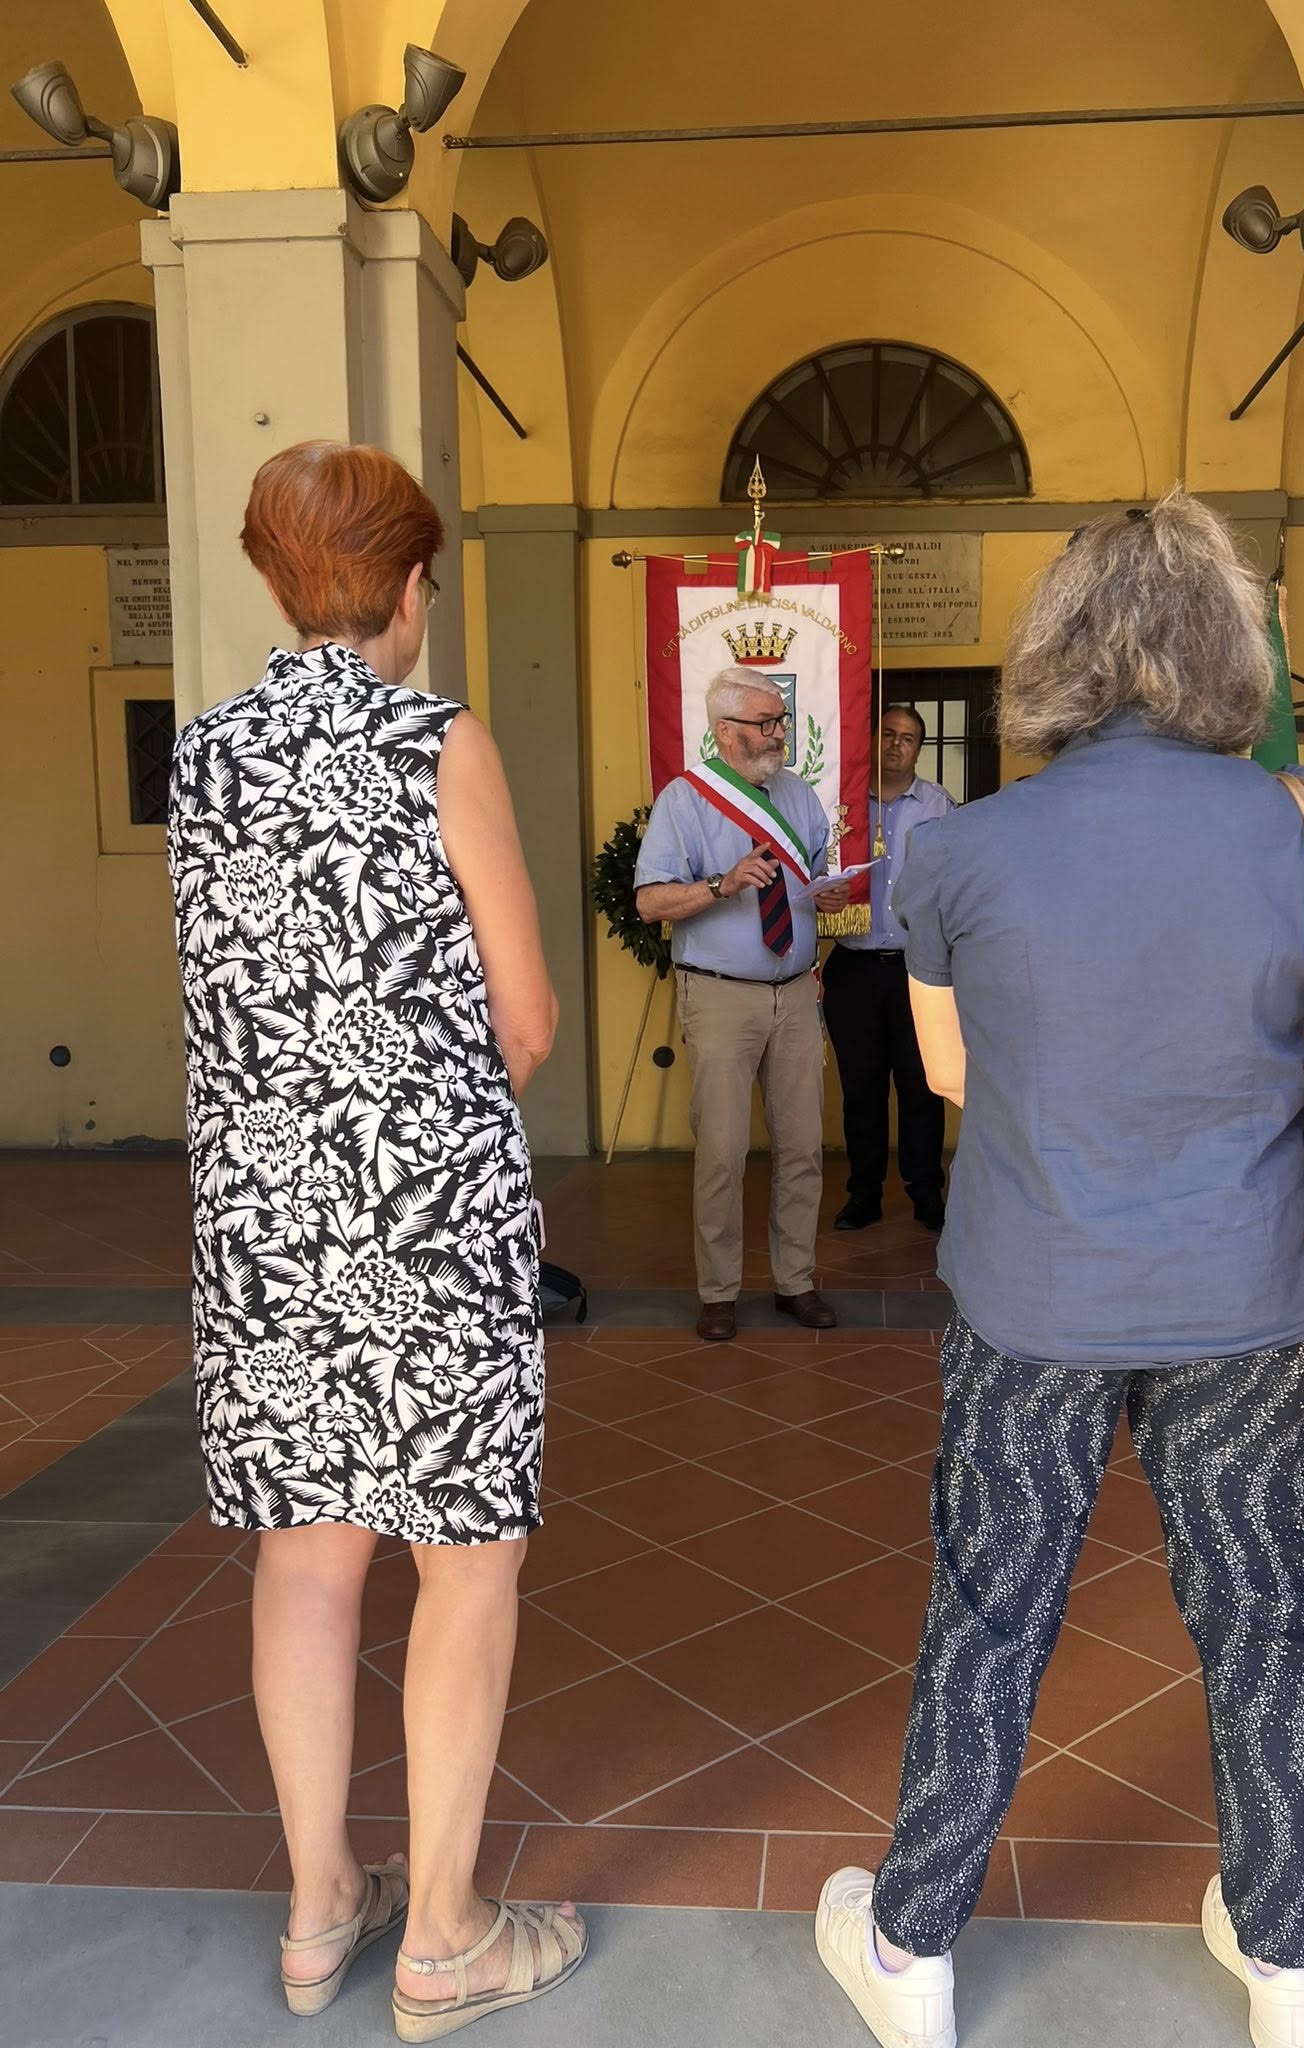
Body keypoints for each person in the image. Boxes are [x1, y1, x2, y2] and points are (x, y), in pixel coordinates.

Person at [816, 491, 1304, 2048]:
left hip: (1036, 1291)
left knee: (993, 1609)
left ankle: (913, 1951)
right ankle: (1287, 1963)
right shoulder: (1290, 821)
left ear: (1057, 649)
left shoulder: (959, 848)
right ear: (1222, 647)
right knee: (1260, 1616)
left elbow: (952, 1074)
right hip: (1245, 1291)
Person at [167, 441, 585, 2041]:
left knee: (305, 1554)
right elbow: (525, 1015)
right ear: (410, 586)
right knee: (464, 1561)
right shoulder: (435, 740)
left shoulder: (205, 757)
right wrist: (427, 1111)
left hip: (264, 1221)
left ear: (284, 584)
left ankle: (319, 1905)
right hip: (427, 1219)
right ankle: (448, 1936)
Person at [635, 666, 848, 1342]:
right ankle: (719, 1292)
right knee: (723, 1153)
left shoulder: (799, 795)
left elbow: (815, 876)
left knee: (803, 1147)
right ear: (725, 730)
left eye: (780, 720)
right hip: (721, 996)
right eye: (765, 722)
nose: (778, 733)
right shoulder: (684, 800)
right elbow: (649, 902)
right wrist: (719, 886)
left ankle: (796, 1281)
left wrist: (829, 893)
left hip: (796, 992)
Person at [822, 704, 955, 1232]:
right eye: (889, 734)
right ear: (873, 739)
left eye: (909, 738)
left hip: (917, 970)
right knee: (862, 1089)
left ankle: (926, 1193)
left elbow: (957, 881)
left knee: (922, 1086)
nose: (897, 744)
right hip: (853, 969)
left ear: (919, 749)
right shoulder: (843, 806)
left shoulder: (940, 807)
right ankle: (864, 1193)